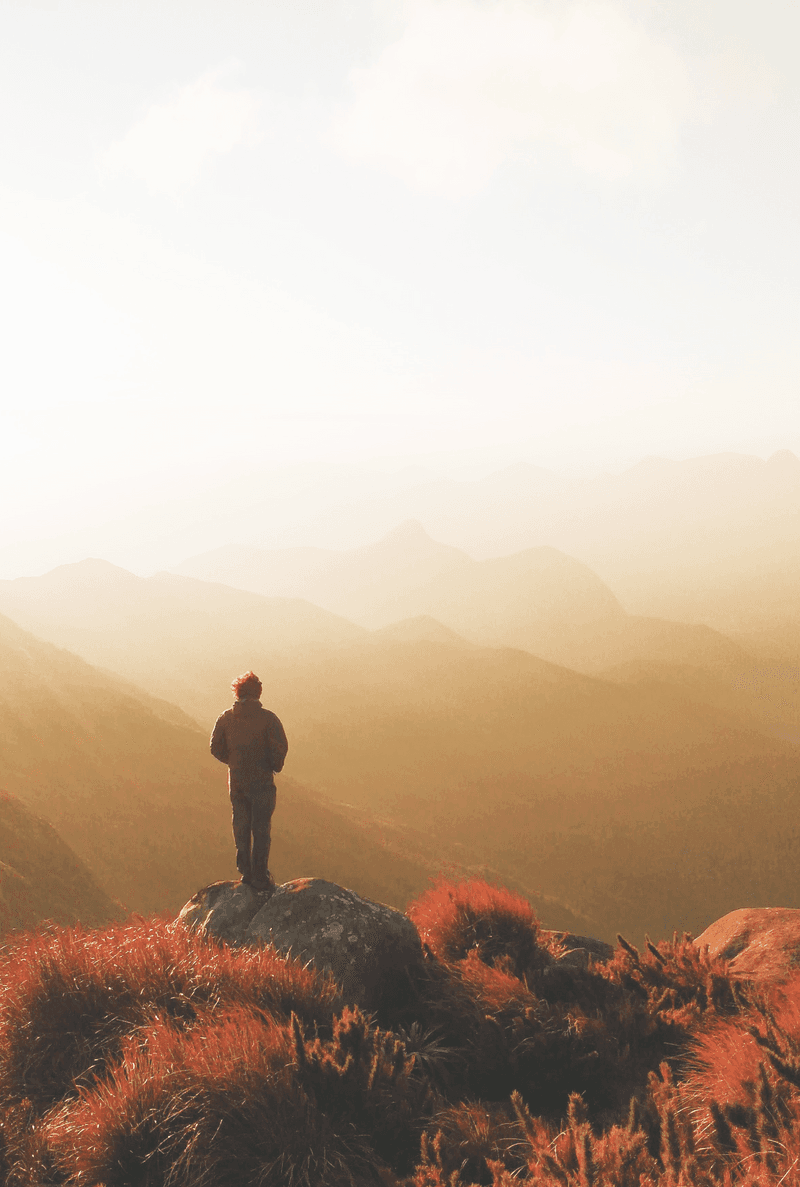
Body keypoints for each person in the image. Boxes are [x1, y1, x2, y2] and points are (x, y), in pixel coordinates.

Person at [210, 670, 288, 892]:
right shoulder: (269, 719)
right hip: (262, 782)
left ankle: (245, 872)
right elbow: (279, 748)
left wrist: (233, 762)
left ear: (237, 692)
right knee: (261, 828)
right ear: (258, 693)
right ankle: (260, 876)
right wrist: (273, 765)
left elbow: (215, 748)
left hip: (237, 781)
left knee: (241, 825)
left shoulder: (226, 718)